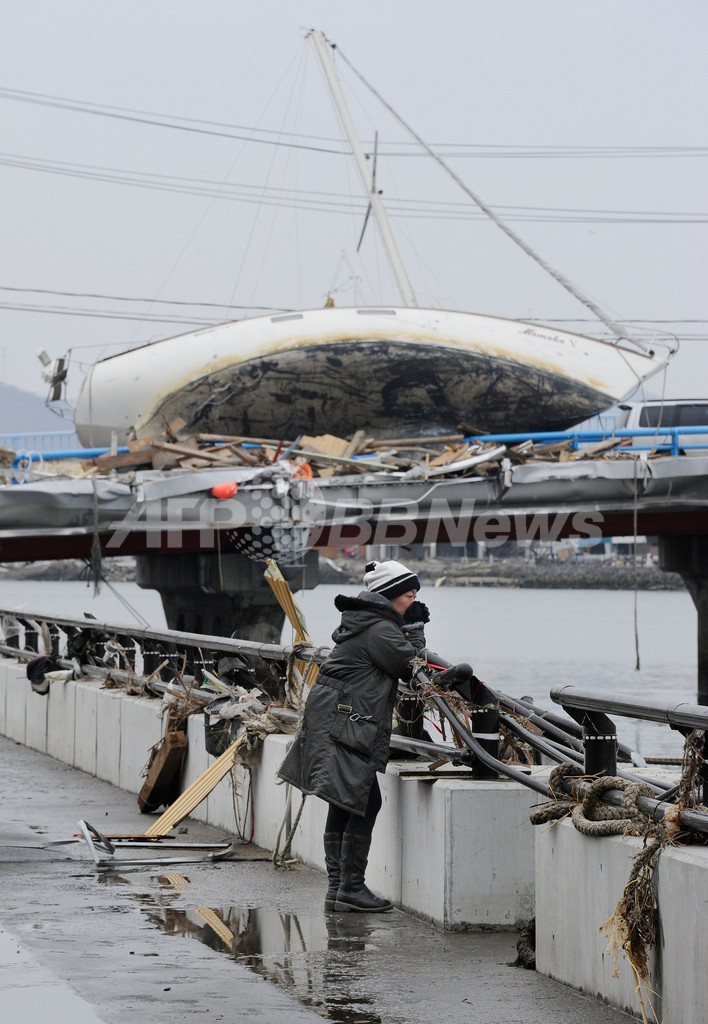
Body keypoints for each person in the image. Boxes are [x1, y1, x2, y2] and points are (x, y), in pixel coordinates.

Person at [278, 559, 429, 913]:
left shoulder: (368, 622)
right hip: (347, 722)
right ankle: (349, 887)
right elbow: (410, 665)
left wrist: (406, 625)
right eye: (409, 595)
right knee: (362, 801)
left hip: (338, 718)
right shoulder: (380, 628)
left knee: (346, 801)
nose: (414, 600)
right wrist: (416, 627)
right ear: (391, 596)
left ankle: (339, 889)